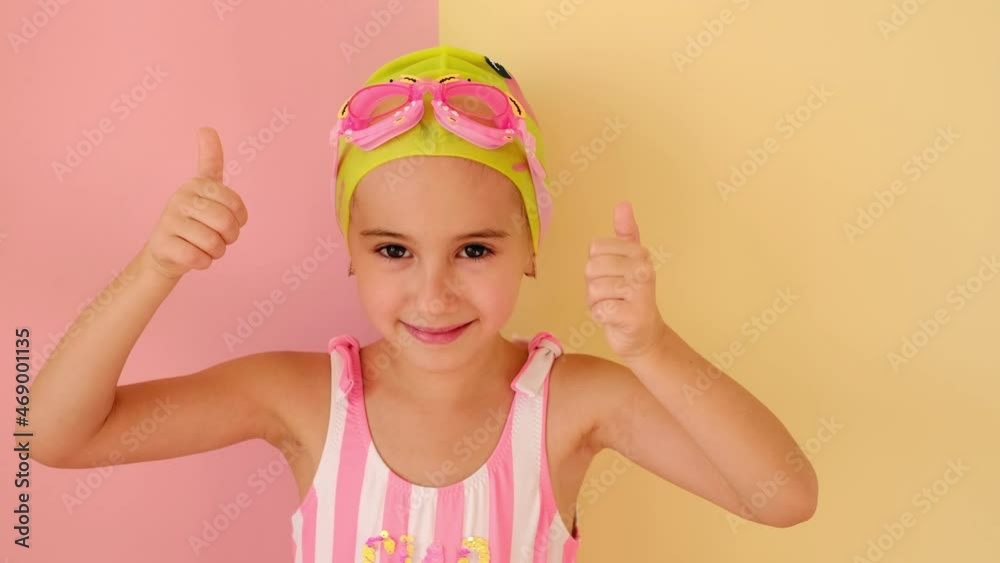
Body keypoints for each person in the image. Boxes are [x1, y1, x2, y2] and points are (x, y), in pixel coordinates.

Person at [31, 45, 818, 562]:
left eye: (475, 250)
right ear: (351, 250)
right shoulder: (303, 399)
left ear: (531, 248)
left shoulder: (574, 401)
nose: (434, 291)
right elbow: (57, 436)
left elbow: (782, 495)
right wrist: (154, 269)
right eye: (393, 250)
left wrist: (650, 346)